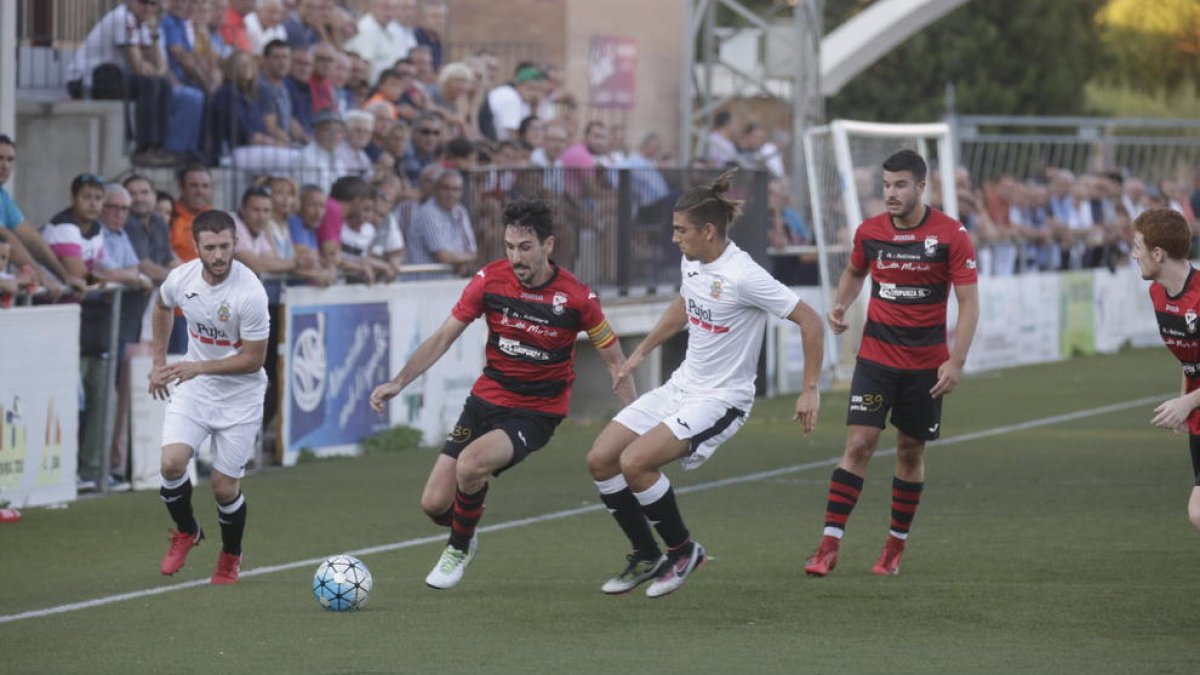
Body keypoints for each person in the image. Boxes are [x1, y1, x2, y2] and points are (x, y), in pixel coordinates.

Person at [369, 197, 637, 590]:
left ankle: (457, 548)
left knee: (470, 465)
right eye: (509, 247)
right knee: (433, 503)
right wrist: (399, 381)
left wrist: (638, 420)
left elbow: (616, 362)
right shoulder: (489, 280)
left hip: (535, 412)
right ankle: (467, 527)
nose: (515, 257)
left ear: (548, 245)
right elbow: (444, 337)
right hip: (485, 401)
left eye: (525, 248)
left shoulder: (577, 299)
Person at [584, 169, 824, 598]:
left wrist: (810, 388)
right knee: (601, 458)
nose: (674, 238)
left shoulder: (745, 276)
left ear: (708, 231)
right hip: (682, 387)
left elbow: (810, 320)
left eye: (681, 230)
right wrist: (640, 354)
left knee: (636, 462)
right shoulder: (693, 261)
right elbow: (686, 302)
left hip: (722, 399)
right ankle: (646, 554)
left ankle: (682, 550)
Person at [802, 149, 979, 578]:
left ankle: (894, 546)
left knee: (909, 450)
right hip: (876, 359)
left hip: (926, 366)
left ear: (921, 187)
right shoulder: (870, 231)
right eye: (885, 185)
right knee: (859, 444)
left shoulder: (950, 235)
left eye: (900, 185)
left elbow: (969, 301)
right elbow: (855, 271)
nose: (891, 194)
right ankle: (828, 546)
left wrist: (955, 361)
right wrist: (840, 304)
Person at [149, 210, 271, 585]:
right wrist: (158, 362)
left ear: (235, 243)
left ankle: (231, 555)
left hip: (240, 396)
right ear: (197, 247)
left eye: (225, 246)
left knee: (223, 486)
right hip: (196, 389)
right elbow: (162, 306)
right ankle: (187, 531)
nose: (219, 256)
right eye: (210, 247)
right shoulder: (182, 278)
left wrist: (197, 367)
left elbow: (253, 359)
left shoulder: (249, 293)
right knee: (171, 464)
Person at [1130, 207, 1200, 532]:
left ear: (1158, 253)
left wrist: (1186, 403)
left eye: (1137, 247)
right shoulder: (1157, 293)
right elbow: (1190, 360)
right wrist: (1183, 403)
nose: (1133, 255)